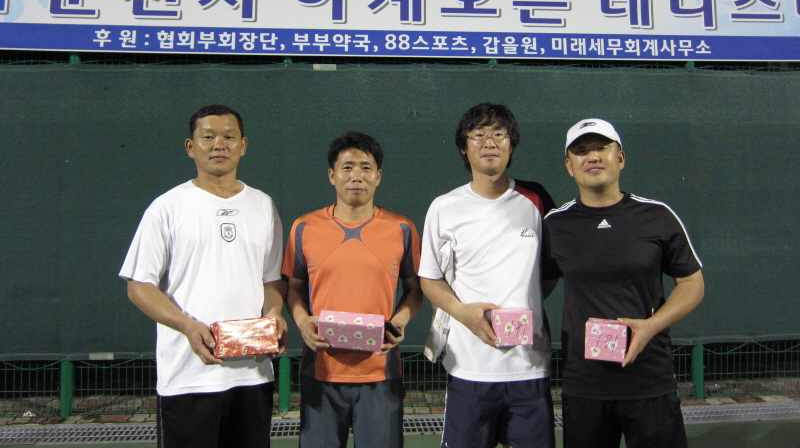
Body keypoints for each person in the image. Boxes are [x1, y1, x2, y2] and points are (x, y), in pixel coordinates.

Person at [119, 105, 285, 448]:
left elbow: (271, 280)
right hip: (188, 377)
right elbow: (138, 286)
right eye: (208, 137)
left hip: (253, 374)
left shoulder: (264, 205)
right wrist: (186, 326)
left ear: (243, 145)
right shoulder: (167, 207)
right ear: (190, 147)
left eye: (229, 136)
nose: (219, 144)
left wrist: (274, 315)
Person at [542, 118, 705, 448]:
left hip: (650, 380)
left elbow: (691, 283)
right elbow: (537, 288)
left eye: (601, 148)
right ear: (569, 166)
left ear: (620, 158)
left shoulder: (657, 215)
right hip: (584, 384)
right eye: (581, 151)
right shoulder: (554, 224)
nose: (592, 157)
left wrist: (651, 326)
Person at [418, 102, 557, 448]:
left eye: (499, 134)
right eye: (478, 135)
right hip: (469, 367)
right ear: (463, 147)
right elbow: (429, 279)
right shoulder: (444, 207)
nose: (489, 142)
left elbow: (553, 271)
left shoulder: (536, 199)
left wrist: (527, 302)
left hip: (530, 367)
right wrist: (463, 313)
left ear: (511, 145)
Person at [283, 131, 422, 448]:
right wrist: (303, 322)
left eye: (365, 167)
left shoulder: (402, 228)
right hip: (320, 371)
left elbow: (415, 289)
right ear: (332, 175)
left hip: (381, 373)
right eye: (347, 167)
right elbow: (293, 287)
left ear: (378, 176)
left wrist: (399, 322)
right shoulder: (304, 227)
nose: (356, 176)